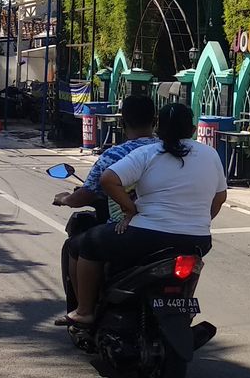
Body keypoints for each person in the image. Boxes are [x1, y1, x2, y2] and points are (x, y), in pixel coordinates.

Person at [66, 102, 227, 326]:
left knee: (86, 244)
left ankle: (84, 311)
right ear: (192, 130)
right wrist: (200, 221)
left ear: (158, 128)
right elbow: (220, 197)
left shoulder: (147, 153)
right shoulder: (210, 154)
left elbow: (108, 180)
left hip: (147, 237)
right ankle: (183, 307)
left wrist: (130, 209)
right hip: (198, 240)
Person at [53, 95, 158, 306]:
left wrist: (65, 199)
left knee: (78, 246)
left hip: (128, 229)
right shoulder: (168, 150)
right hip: (170, 228)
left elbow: (87, 193)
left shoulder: (115, 155)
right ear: (155, 121)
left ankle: (84, 310)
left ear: (123, 122)